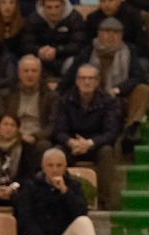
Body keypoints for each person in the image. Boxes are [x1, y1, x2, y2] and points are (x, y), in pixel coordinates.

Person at [14, 147, 101, 235]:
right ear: (43, 167)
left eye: (59, 165)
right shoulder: (30, 187)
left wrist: (65, 192)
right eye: (50, 165)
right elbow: (25, 218)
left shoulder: (74, 186)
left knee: (84, 222)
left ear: (65, 167)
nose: (55, 169)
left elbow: (81, 212)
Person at [52, 61, 123, 201]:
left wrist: (90, 143)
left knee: (107, 151)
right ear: (77, 81)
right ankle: (57, 197)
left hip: (96, 145)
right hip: (72, 145)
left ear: (97, 82)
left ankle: (104, 201)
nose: (87, 82)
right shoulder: (65, 100)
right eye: (83, 78)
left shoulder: (108, 102)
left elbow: (111, 132)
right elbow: (59, 130)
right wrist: (71, 142)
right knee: (56, 153)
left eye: (91, 79)